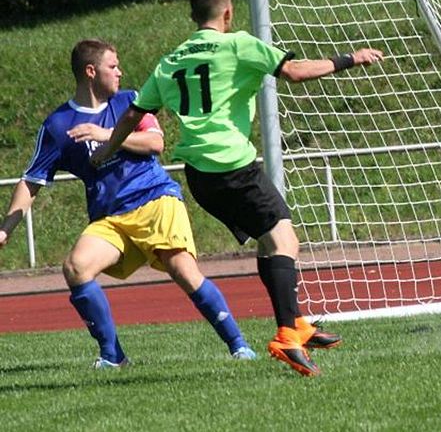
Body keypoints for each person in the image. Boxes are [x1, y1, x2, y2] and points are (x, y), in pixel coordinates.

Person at [91, 0, 384, 377]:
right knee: (284, 239)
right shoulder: (238, 44)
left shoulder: (170, 61)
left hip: (200, 177)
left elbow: (133, 113)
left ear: (192, 15)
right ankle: (287, 334)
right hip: (232, 167)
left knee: (268, 242)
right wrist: (351, 58)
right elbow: (295, 72)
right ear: (228, 13)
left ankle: (295, 322)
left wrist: (109, 148)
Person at [0, 39, 256, 367]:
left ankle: (239, 346)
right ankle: (113, 357)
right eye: (112, 66)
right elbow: (31, 181)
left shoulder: (130, 101)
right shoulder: (58, 125)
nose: (119, 72)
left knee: (182, 269)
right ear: (91, 72)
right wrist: (6, 229)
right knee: (76, 267)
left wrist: (108, 135)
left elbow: (156, 142)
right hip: (111, 218)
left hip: (155, 199)